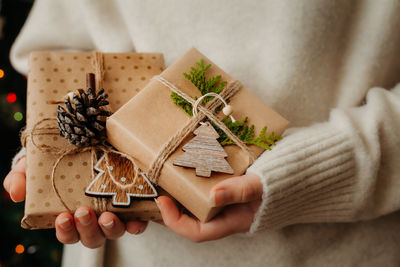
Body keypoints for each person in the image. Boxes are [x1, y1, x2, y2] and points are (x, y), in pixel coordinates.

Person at [4, 0, 400, 266]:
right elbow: (57, 56)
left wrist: (332, 164)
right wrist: (50, 150)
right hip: (129, 253)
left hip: (335, 249)